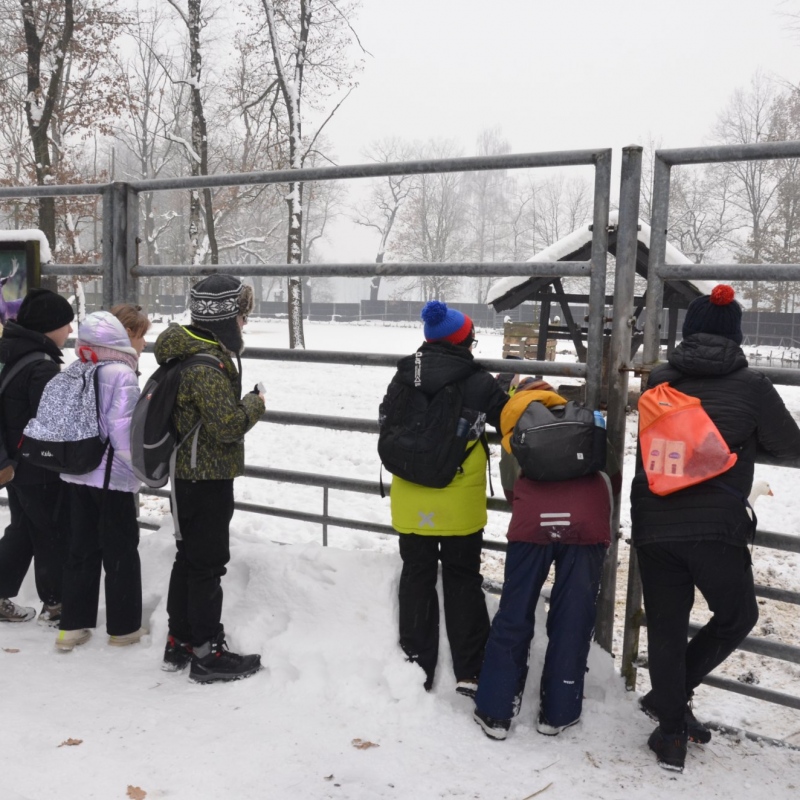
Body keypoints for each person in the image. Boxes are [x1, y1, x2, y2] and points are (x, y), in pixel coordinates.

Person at [630, 284, 800, 773]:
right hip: (716, 527)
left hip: (654, 522)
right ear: (736, 334)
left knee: (664, 626)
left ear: (688, 333)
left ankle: (671, 732)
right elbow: (789, 446)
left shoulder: (659, 381)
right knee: (737, 616)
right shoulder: (752, 386)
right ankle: (674, 696)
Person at [473, 381, 614, 740]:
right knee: (573, 614)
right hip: (587, 522)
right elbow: (607, 471)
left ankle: (496, 711)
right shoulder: (582, 421)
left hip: (533, 524)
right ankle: (559, 712)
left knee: (515, 611)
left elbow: (509, 488)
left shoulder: (514, 428)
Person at [386, 301, 508, 694]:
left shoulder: (403, 376)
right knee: (461, 578)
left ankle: (416, 665)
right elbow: (508, 421)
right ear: (464, 342)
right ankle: (471, 669)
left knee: (417, 576)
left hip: (410, 498)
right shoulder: (479, 381)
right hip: (459, 503)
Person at [156, 275, 265, 683]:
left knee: (189, 559)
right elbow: (226, 427)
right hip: (205, 478)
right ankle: (207, 653)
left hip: (189, 477)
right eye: (241, 316)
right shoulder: (206, 367)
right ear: (225, 319)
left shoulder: (194, 355)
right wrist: (255, 403)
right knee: (207, 565)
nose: (244, 325)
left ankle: (180, 641)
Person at [56, 306, 151, 651]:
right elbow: (123, 432)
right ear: (126, 335)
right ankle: (124, 628)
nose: (143, 343)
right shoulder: (122, 374)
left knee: (79, 550)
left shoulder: (78, 366)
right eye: (140, 335)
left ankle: (72, 628)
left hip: (77, 473)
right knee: (121, 551)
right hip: (112, 478)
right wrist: (145, 470)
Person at [0, 289, 74, 625]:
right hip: (37, 466)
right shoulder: (42, 366)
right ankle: (56, 605)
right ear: (49, 327)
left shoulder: (13, 350)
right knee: (50, 531)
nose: (70, 331)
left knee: (24, 530)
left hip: (13, 464)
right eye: (66, 324)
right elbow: (51, 423)